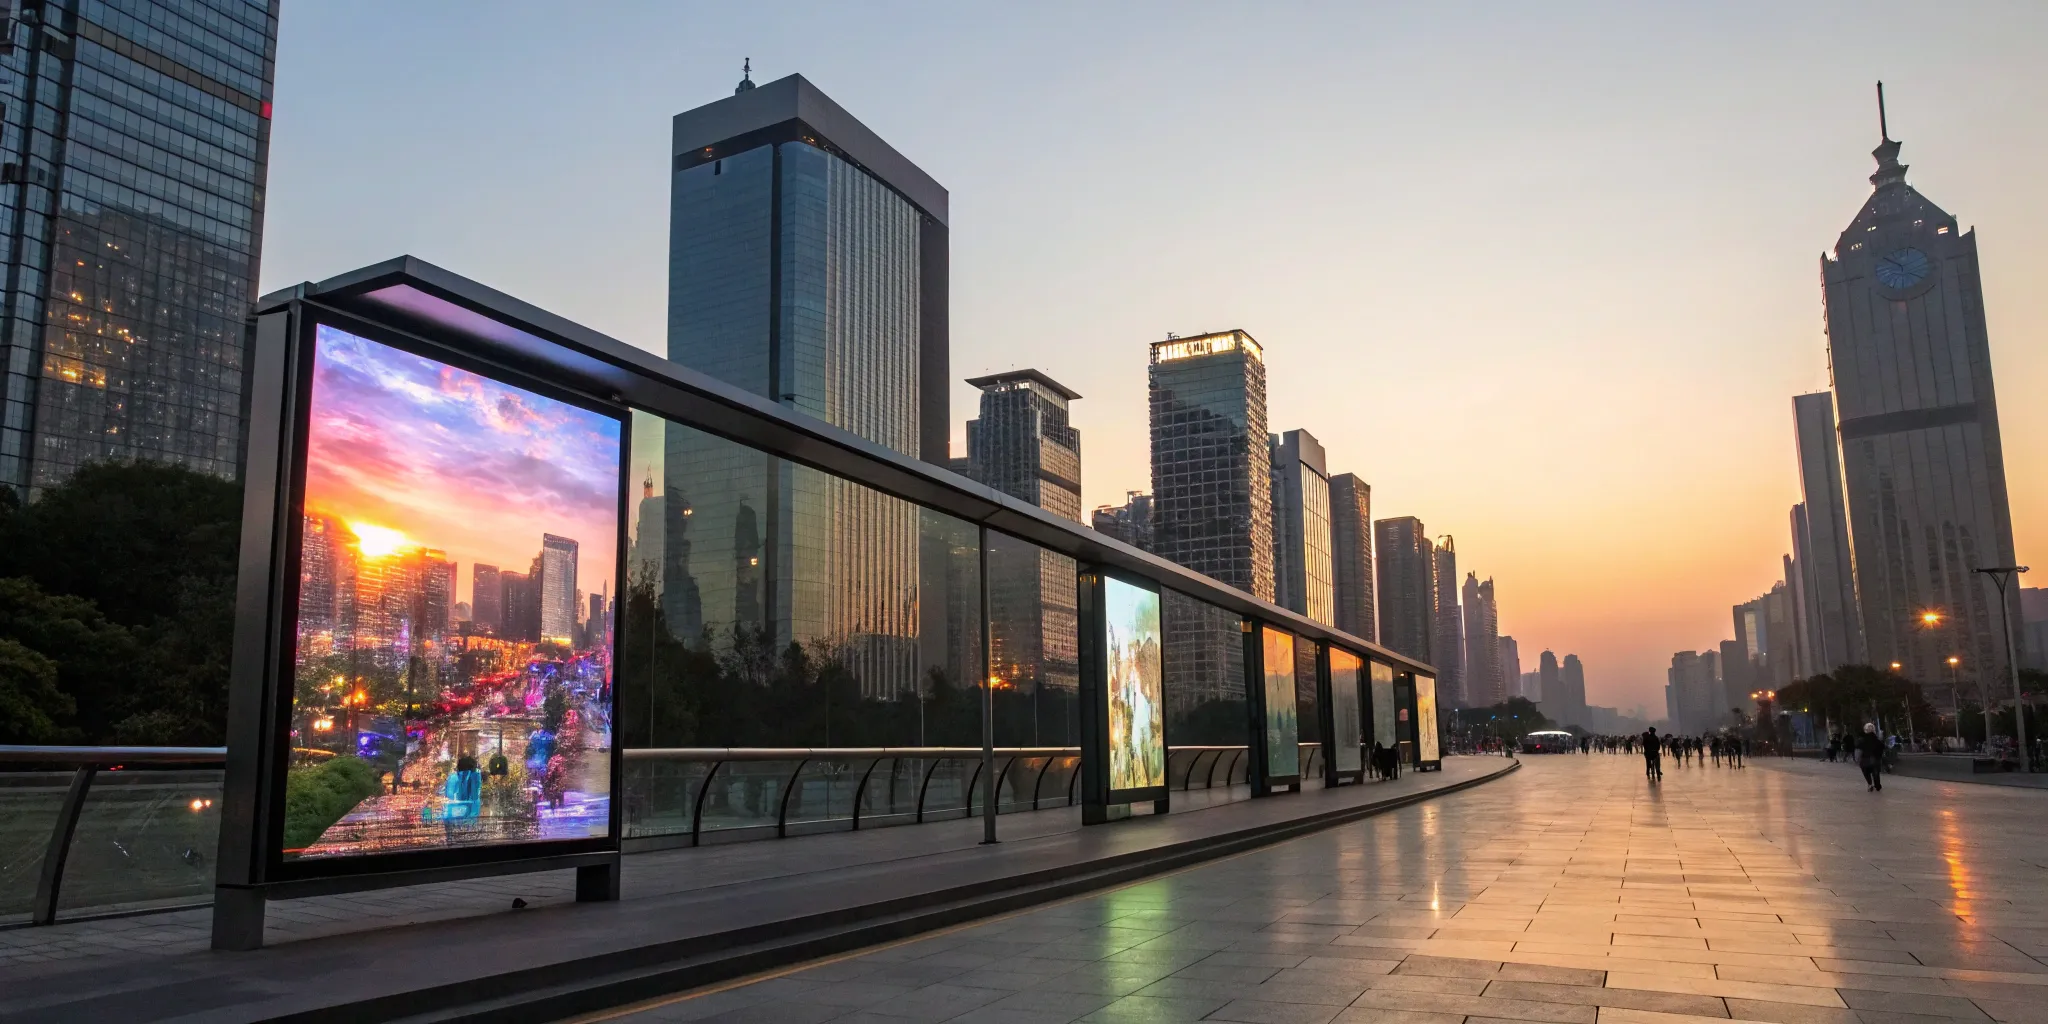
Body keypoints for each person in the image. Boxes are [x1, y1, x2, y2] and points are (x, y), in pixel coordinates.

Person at [1855, 723, 1885, 791]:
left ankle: (1870, 784)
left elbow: (1858, 750)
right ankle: (1877, 785)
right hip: (1875, 759)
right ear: (1874, 730)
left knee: (1866, 773)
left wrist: (1858, 760)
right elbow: (1882, 749)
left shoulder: (1861, 740)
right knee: (1876, 773)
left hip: (1865, 759)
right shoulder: (1877, 740)